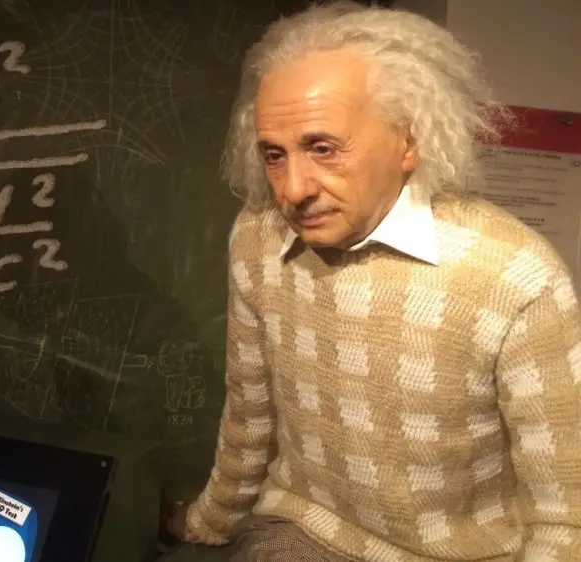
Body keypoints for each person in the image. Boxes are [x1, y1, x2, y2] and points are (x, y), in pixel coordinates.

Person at [164, 1, 581, 560]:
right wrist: (205, 522)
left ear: (409, 140)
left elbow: (566, 516)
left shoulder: (516, 277)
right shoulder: (257, 238)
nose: (293, 189)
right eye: (274, 155)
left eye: (323, 148)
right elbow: (249, 417)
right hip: (297, 534)